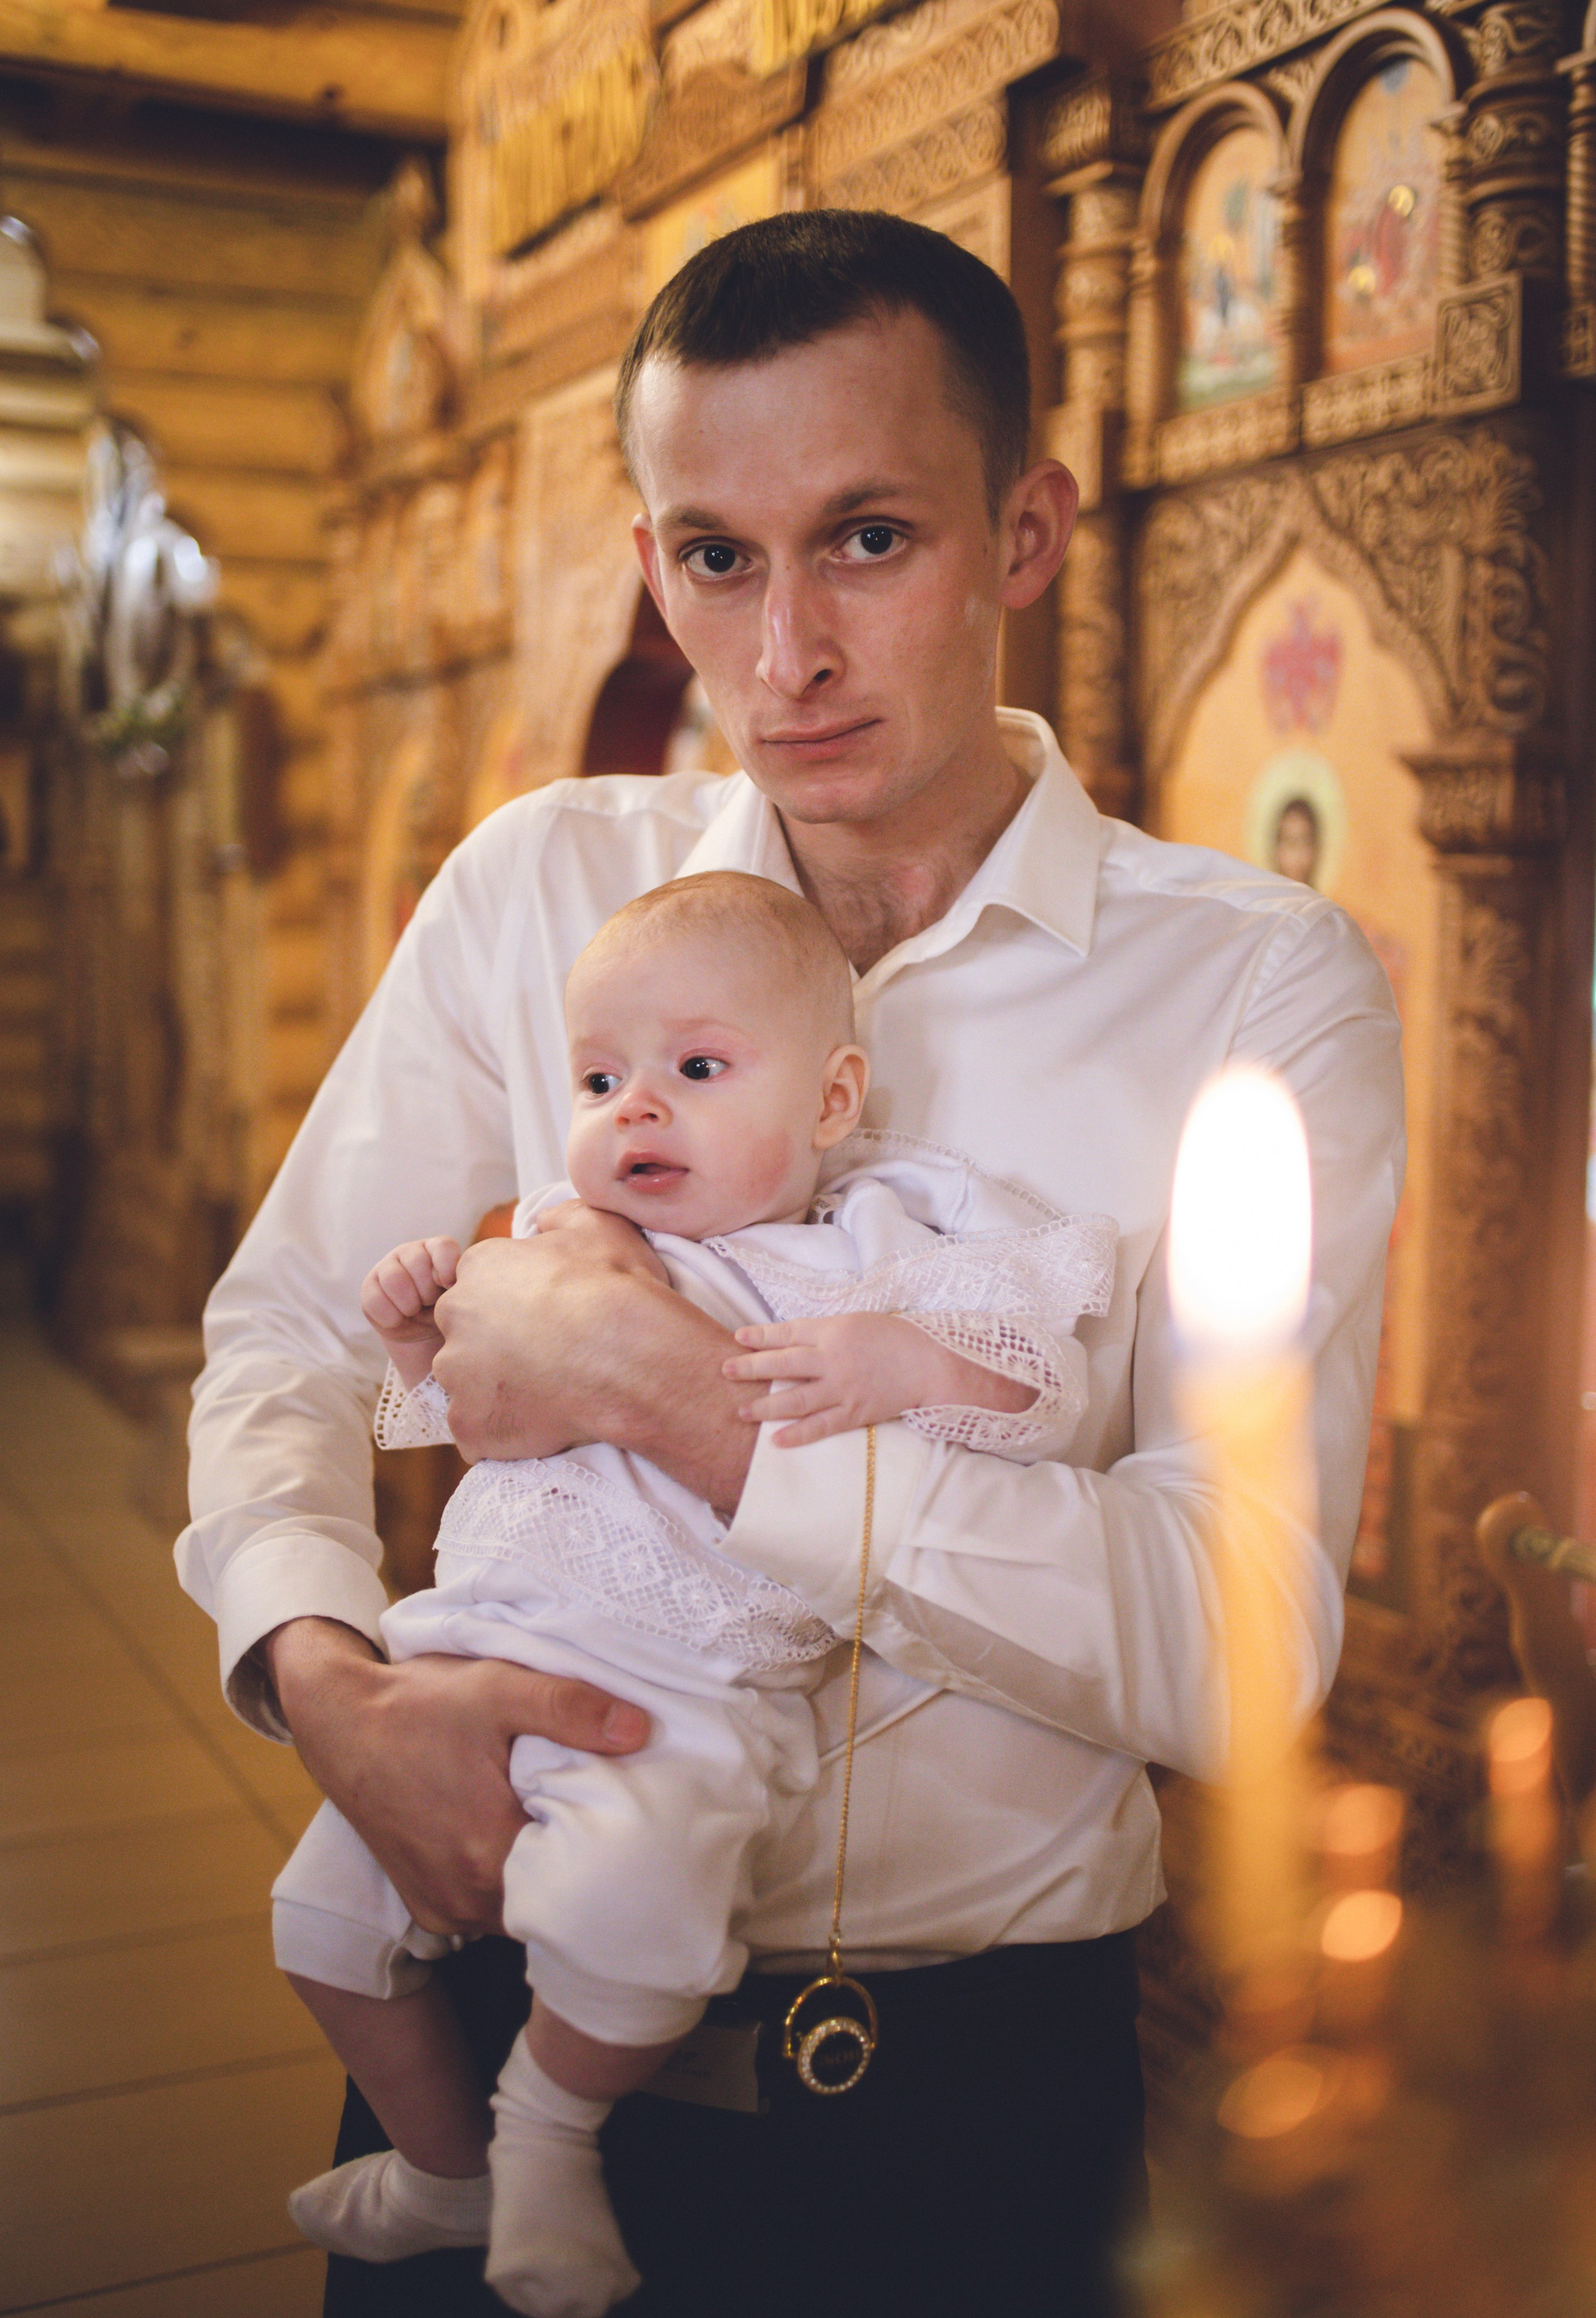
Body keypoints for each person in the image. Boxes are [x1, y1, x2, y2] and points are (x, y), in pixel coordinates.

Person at [181, 209, 1404, 2317]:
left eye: (868, 539)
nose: (785, 655)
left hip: (961, 2099)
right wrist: (323, 1677)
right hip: (484, 2014)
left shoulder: (1250, 989)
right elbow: (294, 1335)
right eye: (717, 557)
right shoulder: (537, 891)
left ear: (1025, 533)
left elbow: (1239, 1636)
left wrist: (682, 1401)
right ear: (651, 565)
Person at [274, 868, 1115, 2317]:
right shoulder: (559, 1238)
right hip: (463, 1655)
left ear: (834, 1099)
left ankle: (544, 2136)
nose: (636, 1110)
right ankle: (441, 2169)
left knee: (632, 1920)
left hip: (676, 1691)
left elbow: (1042, 1399)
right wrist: (419, 1334)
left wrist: (903, 1361)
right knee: (320, 1925)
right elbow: (479, 1421)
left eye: (698, 1071)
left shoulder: (870, 1252)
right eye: (601, 1080)